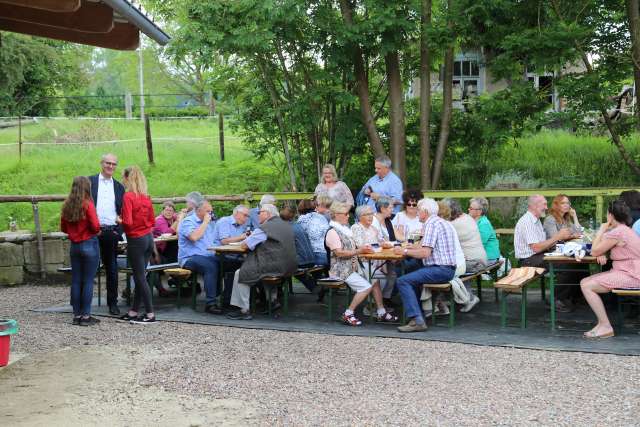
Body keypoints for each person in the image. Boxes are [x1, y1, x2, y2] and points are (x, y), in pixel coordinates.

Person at [324, 202, 398, 326]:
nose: (348, 216)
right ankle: (348, 313)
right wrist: (359, 251)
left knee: (375, 279)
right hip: (341, 270)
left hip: (353, 266)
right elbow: (339, 254)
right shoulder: (333, 232)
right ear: (336, 215)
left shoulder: (344, 230)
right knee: (366, 286)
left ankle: (380, 311)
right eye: (346, 214)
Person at [393, 198, 457, 332]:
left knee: (403, 281)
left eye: (418, 210)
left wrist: (404, 251)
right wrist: (410, 250)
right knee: (411, 274)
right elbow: (424, 248)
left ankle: (417, 320)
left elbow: (425, 253)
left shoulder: (431, 224)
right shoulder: (440, 222)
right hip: (447, 268)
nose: (416, 213)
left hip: (441, 269)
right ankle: (417, 316)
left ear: (425, 211)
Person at [580, 200, 640, 338]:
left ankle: (606, 326)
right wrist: (603, 252)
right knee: (585, 282)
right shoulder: (625, 229)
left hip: (632, 274)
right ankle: (602, 324)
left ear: (610, 215)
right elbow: (606, 248)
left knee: (587, 286)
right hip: (629, 271)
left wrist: (601, 229)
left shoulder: (617, 232)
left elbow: (594, 251)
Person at [227, 204, 298, 320]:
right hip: (289, 265)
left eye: (260, 212)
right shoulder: (285, 225)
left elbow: (245, 245)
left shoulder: (265, 228)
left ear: (268, 214)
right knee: (261, 269)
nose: (258, 214)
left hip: (275, 265)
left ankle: (243, 310)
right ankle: (272, 301)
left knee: (240, 273)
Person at [514, 195, 573, 312]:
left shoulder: (536, 221)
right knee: (566, 265)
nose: (546, 208)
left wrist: (561, 245)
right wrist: (557, 237)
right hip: (528, 260)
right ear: (534, 206)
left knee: (572, 261)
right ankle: (554, 299)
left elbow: (544, 244)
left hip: (538, 255)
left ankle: (568, 297)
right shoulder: (527, 222)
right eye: (544, 205)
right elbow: (536, 248)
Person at [60, 176, 101, 327]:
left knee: (76, 280)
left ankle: (76, 315)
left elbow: (63, 227)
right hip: (89, 243)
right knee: (88, 280)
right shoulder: (88, 204)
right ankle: (85, 316)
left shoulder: (67, 205)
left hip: (74, 246)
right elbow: (96, 226)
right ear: (86, 187)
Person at [118, 166, 156, 324]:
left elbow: (127, 222)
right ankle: (134, 311)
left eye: (123, 177)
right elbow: (153, 220)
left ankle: (150, 314)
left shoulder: (128, 197)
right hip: (148, 238)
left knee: (140, 277)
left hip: (136, 240)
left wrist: (118, 220)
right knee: (142, 276)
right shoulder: (146, 196)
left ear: (128, 178)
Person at [89, 153, 125, 316]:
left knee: (112, 268)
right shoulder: (90, 182)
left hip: (111, 231)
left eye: (113, 164)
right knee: (89, 267)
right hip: (92, 231)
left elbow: (123, 211)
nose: (110, 166)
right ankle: (83, 304)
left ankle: (113, 303)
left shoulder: (119, 187)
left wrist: (119, 231)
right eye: (107, 163)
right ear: (101, 163)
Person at [178, 199, 222, 315]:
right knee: (210, 266)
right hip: (189, 257)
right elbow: (194, 237)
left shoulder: (209, 223)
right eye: (208, 211)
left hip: (208, 255)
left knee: (228, 261)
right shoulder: (188, 222)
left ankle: (225, 299)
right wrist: (206, 222)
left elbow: (214, 241)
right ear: (199, 210)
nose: (210, 214)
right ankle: (210, 303)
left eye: (211, 211)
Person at [351, 205, 395, 305]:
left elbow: (381, 241)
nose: (370, 216)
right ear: (359, 216)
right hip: (362, 262)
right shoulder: (357, 228)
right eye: (367, 214)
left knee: (392, 274)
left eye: (371, 214)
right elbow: (361, 246)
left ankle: (382, 303)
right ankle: (371, 306)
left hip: (376, 261)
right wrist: (380, 245)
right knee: (379, 278)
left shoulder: (373, 228)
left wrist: (384, 244)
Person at [211, 204, 251, 306]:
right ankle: (227, 299)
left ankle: (243, 299)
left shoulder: (241, 225)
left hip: (233, 255)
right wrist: (242, 237)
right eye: (245, 215)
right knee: (238, 266)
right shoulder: (224, 221)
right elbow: (224, 241)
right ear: (237, 213)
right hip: (218, 255)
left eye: (247, 216)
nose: (246, 219)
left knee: (250, 264)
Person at [280, 206, 317, 291]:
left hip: (303, 261)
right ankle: (315, 287)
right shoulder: (298, 225)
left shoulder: (286, 228)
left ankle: (275, 296)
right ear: (293, 216)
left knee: (280, 268)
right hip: (311, 258)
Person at [445, 199, 487, 273]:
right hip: (481, 260)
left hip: (474, 263)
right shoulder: (466, 217)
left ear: (449, 211)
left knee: (443, 268)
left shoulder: (454, 224)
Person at [297, 199, 330, 267]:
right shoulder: (321, 217)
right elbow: (327, 233)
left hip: (311, 256)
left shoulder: (300, 220)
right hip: (325, 254)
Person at [467, 197, 501, 264]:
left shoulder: (484, 224)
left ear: (479, 211)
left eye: (471, 208)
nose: (468, 209)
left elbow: (479, 244)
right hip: (480, 257)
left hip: (489, 258)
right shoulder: (474, 222)